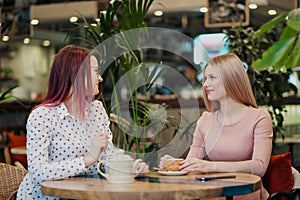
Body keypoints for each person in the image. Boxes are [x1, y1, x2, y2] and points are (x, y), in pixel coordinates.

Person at [17, 45, 149, 200]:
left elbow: (108, 155)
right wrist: (87, 159)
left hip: (86, 194)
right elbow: (38, 172)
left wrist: (132, 167)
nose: (100, 78)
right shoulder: (42, 116)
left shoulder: (97, 109)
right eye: (95, 71)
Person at [160, 53, 273, 199]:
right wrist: (176, 164)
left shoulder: (260, 118)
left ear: (230, 79)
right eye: (205, 78)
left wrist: (211, 166)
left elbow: (259, 167)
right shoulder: (205, 120)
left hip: (247, 195)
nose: (205, 84)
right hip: (215, 195)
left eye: (212, 78)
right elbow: (192, 164)